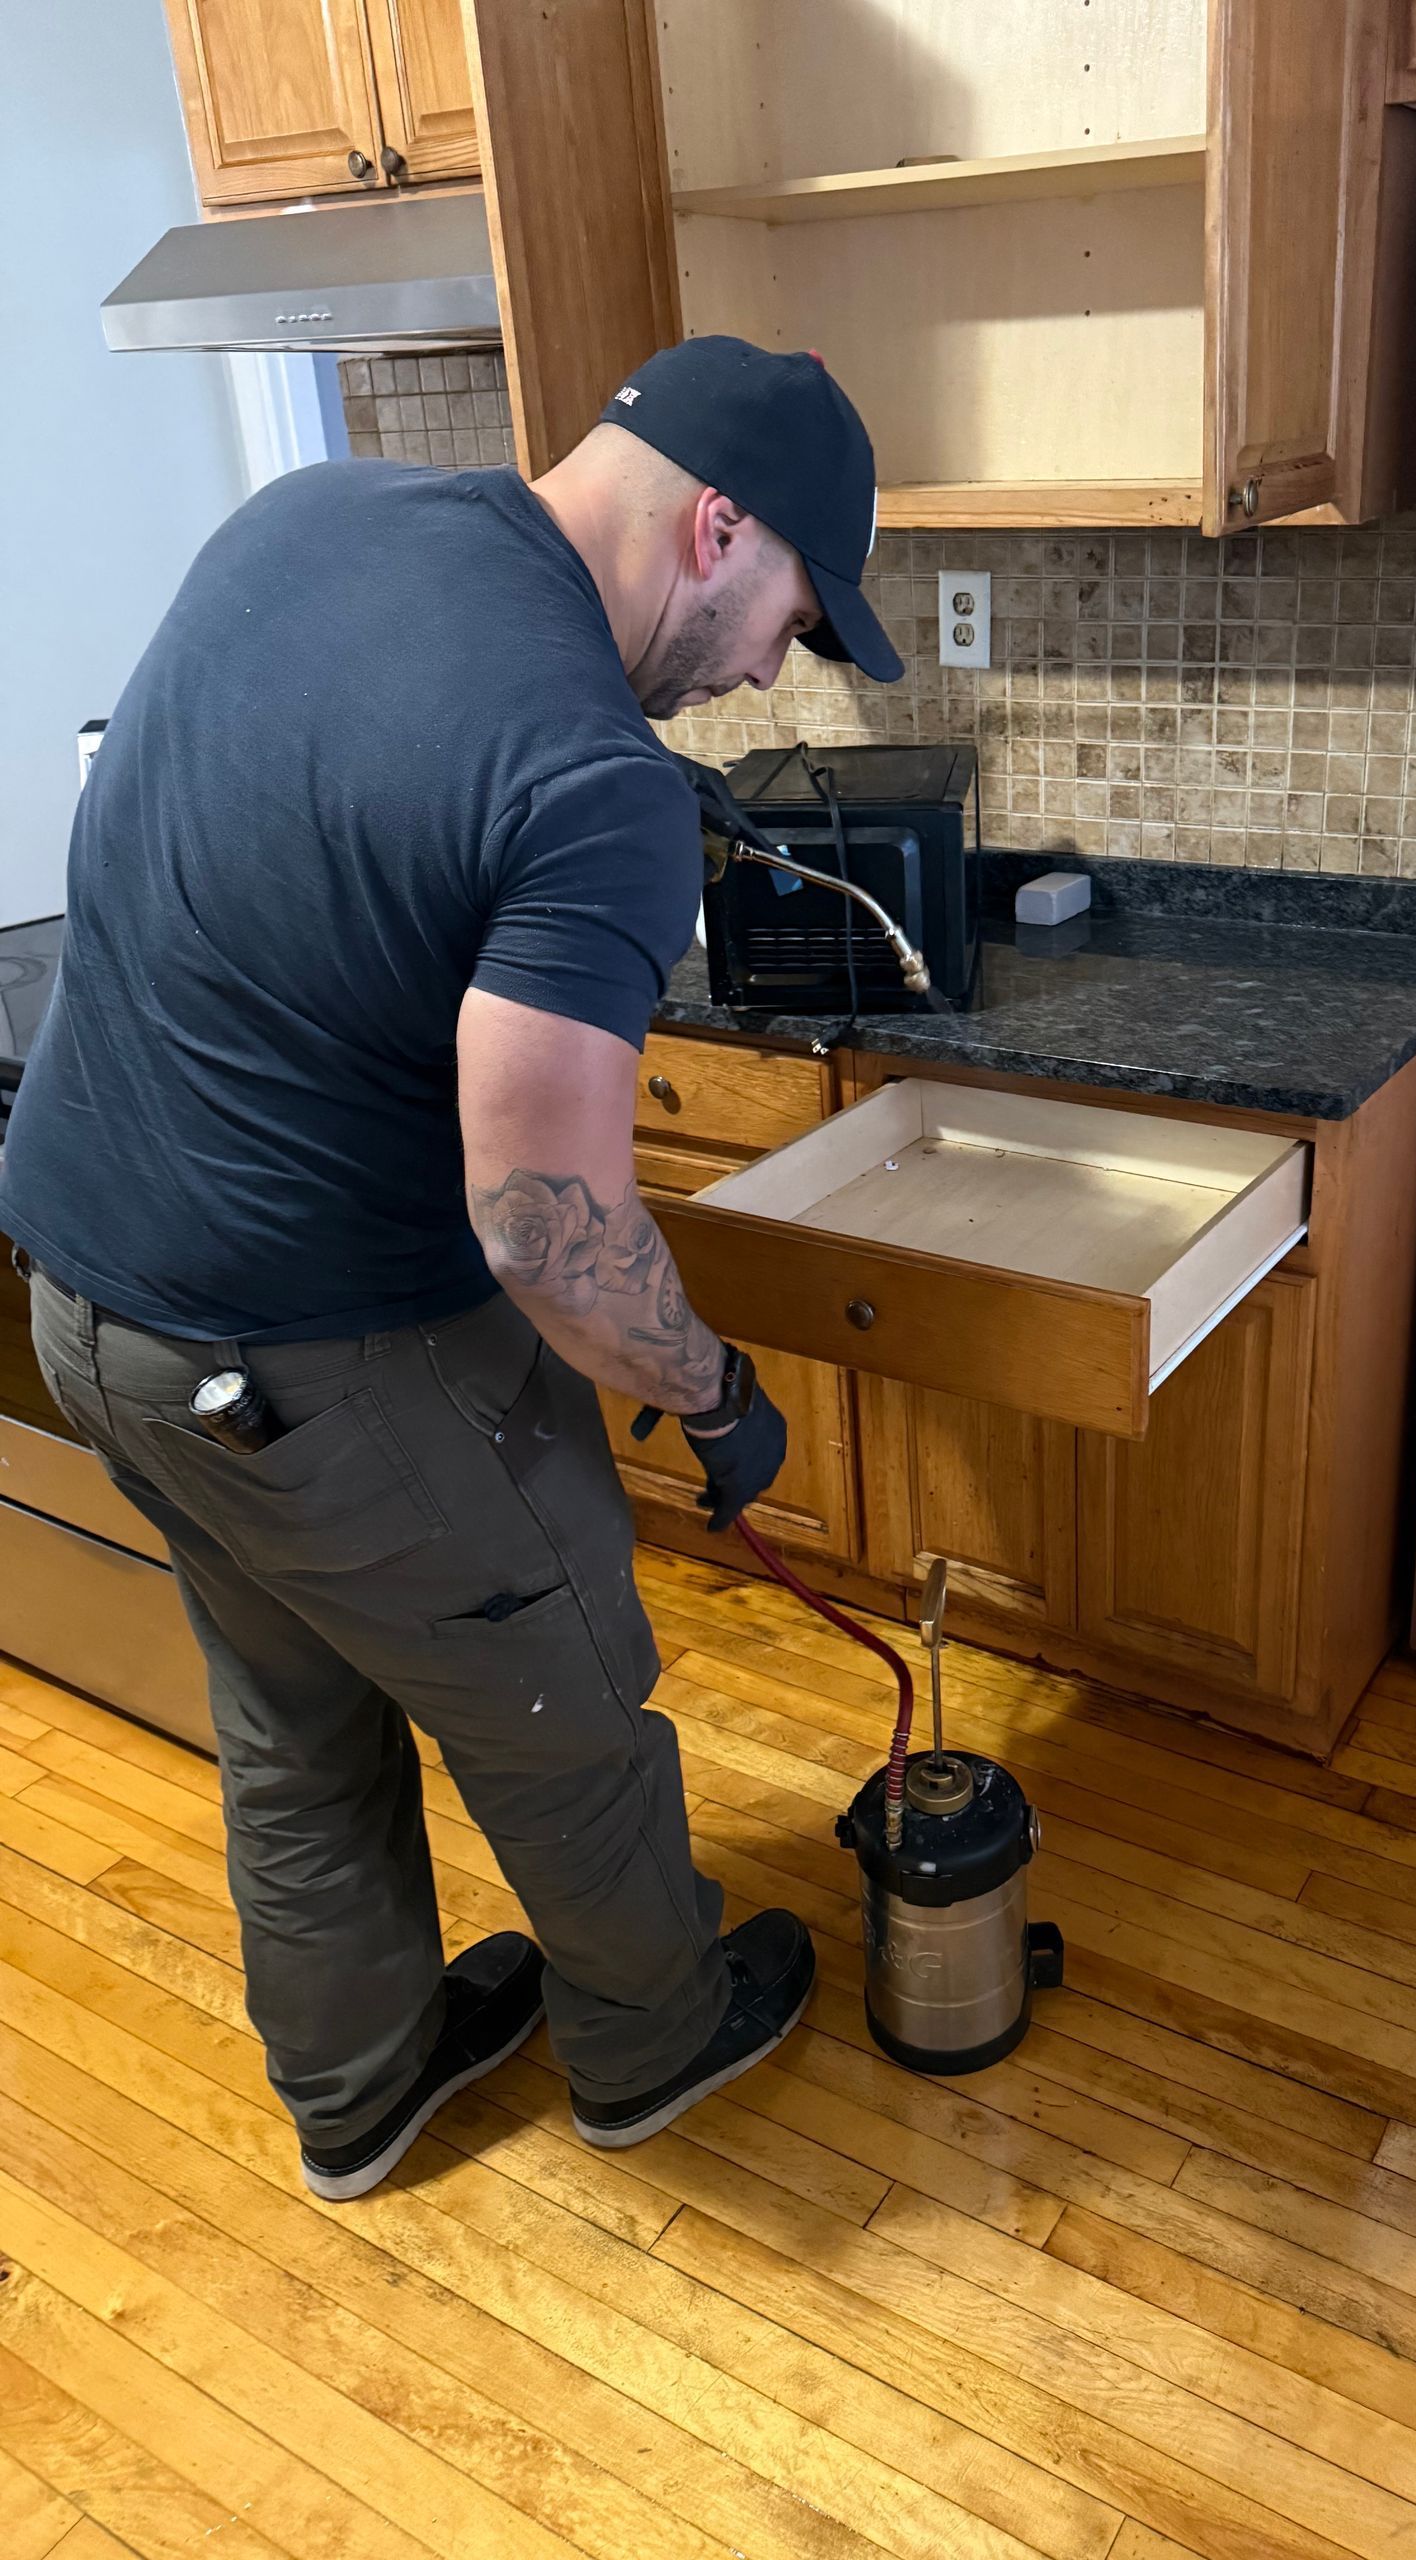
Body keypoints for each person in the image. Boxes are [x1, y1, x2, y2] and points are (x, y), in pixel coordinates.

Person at [0, 336, 903, 2201]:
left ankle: (365, 2084)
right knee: (563, 1687)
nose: (757, 679)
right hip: (302, 1355)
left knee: (296, 1715)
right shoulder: (593, 777)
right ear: (715, 527)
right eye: (790, 625)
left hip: (88, 1304)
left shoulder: (309, 517)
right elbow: (547, 1232)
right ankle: (658, 2040)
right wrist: (715, 1399)